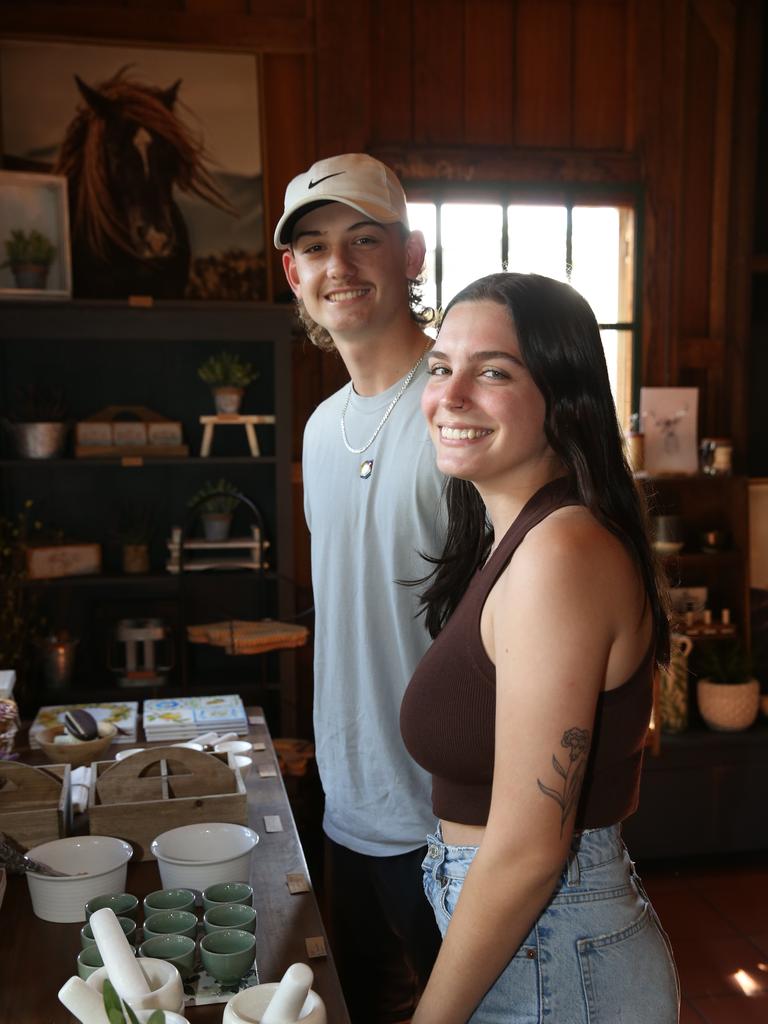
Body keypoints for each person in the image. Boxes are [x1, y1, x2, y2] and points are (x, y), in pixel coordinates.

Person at [400, 272, 680, 1024]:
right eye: (440, 367)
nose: (450, 395)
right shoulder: (522, 538)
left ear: (565, 399)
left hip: (552, 949)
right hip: (534, 940)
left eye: (493, 371)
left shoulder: (561, 552)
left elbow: (529, 851)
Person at [274, 153, 444, 1024]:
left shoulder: (458, 413)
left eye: (363, 240)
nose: (337, 266)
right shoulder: (319, 426)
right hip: (348, 811)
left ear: (411, 255)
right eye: (315, 246)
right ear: (292, 272)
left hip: (454, 829)